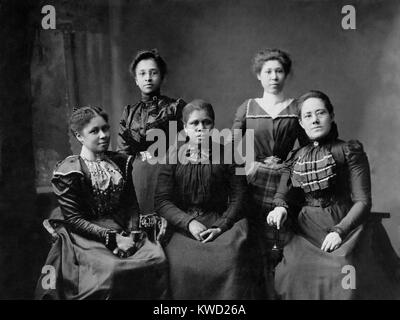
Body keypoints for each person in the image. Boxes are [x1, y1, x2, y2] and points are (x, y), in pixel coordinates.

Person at [267, 90, 400, 299]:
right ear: (301, 123)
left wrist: (339, 231)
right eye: (308, 116)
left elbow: (363, 201)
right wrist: (280, 209)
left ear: (331, 116)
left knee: (344, 271)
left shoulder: (348, 150)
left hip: (346, 225)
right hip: (304, 230)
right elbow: (282, 194)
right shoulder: (294, 158)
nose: (315, 120)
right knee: (290, 274)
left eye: (321, 113)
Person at [35, 106, 168, 299]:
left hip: (119, 225)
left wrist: (133, 233)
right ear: (79, 136)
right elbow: (74, 219)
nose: (104, 135)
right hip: (83, 234)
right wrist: (112, 238)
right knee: (112, 269)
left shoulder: (120, 162)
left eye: (105, 129)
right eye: (94, 131)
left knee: (156, 258)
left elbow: (130, 205)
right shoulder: (69, 171)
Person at [155, 100, 260, 299]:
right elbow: (162, 201)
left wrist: (221, 225)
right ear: (185, 127)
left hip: (221, 223)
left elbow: (241, 196)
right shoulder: (172, 156)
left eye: (207, 123)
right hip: (183, 226)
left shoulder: (229, 153)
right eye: (195, 123)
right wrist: (189, 223)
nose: (201, 129)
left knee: (232, 258)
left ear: (213, 125)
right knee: (177, 262)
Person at [231, 48, 307, 298]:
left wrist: (291, 166)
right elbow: (231, 146)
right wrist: (249, 164)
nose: (274, 77)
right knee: (254, 241)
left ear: (286, 75)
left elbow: (308, 148)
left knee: (283, 240)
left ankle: (281, 293)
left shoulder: (297, 107)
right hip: (254, 181)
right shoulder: (248, 107)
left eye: (279, 71)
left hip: (286, 179)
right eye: (268, 72)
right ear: (259, 76)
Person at [117, 49, 186, 216]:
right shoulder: (129, 112)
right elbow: (122, 153)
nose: (148, 78)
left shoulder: (175, 108)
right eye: (142, 74)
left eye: (153, 73)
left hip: (169, 173)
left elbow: (186, 145)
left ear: (162, 76)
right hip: (137, 176)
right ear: (136, 80)